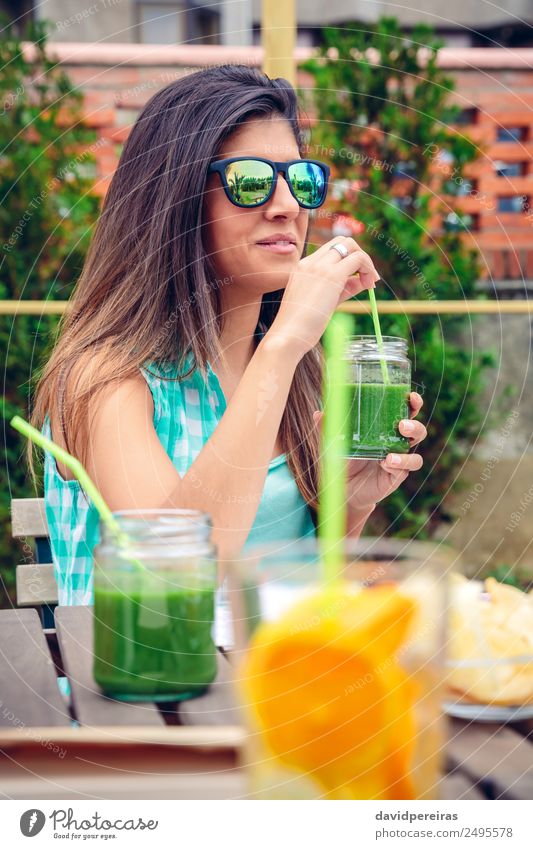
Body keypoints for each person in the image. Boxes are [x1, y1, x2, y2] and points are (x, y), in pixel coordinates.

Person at [29, 64, 426, 607]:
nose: (287, 206)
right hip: (147, 690)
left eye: (302, 180)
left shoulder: (290, 374)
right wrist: (285, 342)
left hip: (271, 685)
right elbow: (173, 586)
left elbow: (305, 599)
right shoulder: (106, 379)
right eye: (251, 181)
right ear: (176, 201)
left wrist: (349, 506)